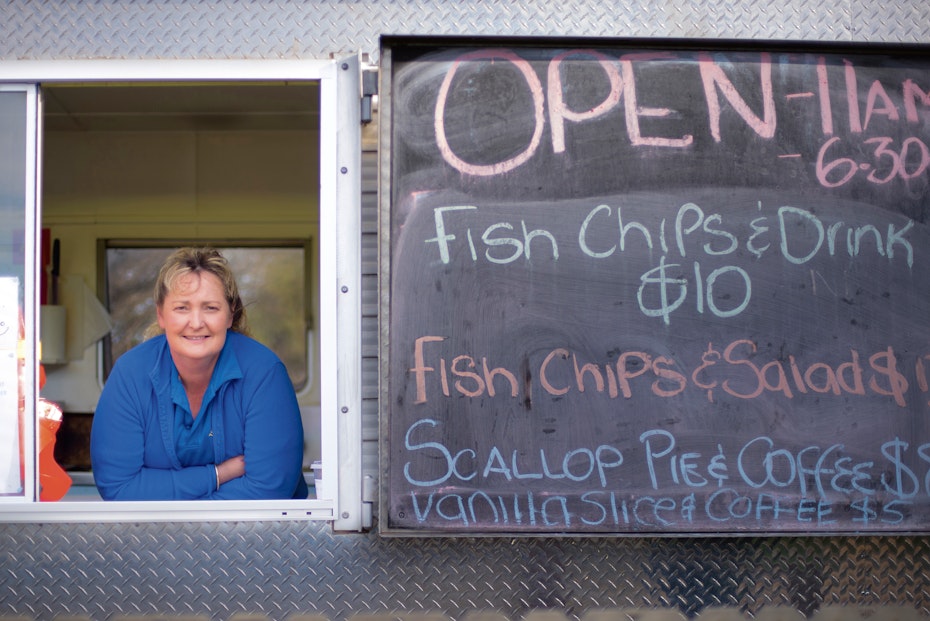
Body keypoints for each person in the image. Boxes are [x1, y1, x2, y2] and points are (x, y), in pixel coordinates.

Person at [91, 247, 308, 500]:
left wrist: (170, 503)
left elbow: (268, 490)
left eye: (211, 308)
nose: (196, 323)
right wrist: (218, 474)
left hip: (253, 537)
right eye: (182, 308)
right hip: (154, 537)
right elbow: (119, 489)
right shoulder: (130, 375)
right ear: (161, 315)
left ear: (230, 314)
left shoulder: (264, 374)